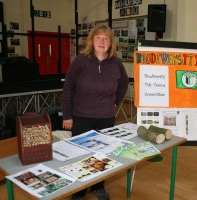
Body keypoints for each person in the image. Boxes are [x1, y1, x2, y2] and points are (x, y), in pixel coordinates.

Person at [62, 24, 129, 200]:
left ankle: (98, 186)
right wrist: (67, 115)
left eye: (106, 38)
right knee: (81, 154)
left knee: (102, 154)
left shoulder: (116, 64)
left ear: (110, 43)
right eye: (98, 37)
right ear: (92, 40)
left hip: (105, 118)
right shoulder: (80, 61)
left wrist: (114, 103)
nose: (102, 41)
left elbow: (123, 85)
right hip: (81, 116)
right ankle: (79, 190)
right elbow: (68, 88)